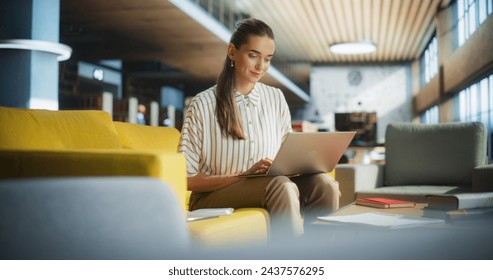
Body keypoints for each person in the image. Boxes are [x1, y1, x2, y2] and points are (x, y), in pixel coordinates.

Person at [178, 18, 340, 238]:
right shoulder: (203, 104)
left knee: (325, 185)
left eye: (267, 59)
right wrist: (241, 176)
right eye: (253, 55)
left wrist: (307, 162)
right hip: (214, 194)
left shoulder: (275, 98)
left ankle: (322, 253)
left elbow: (287, 152)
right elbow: (185, 178)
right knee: (280, 186)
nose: (260, 66)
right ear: (232, 52)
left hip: (272, 183)